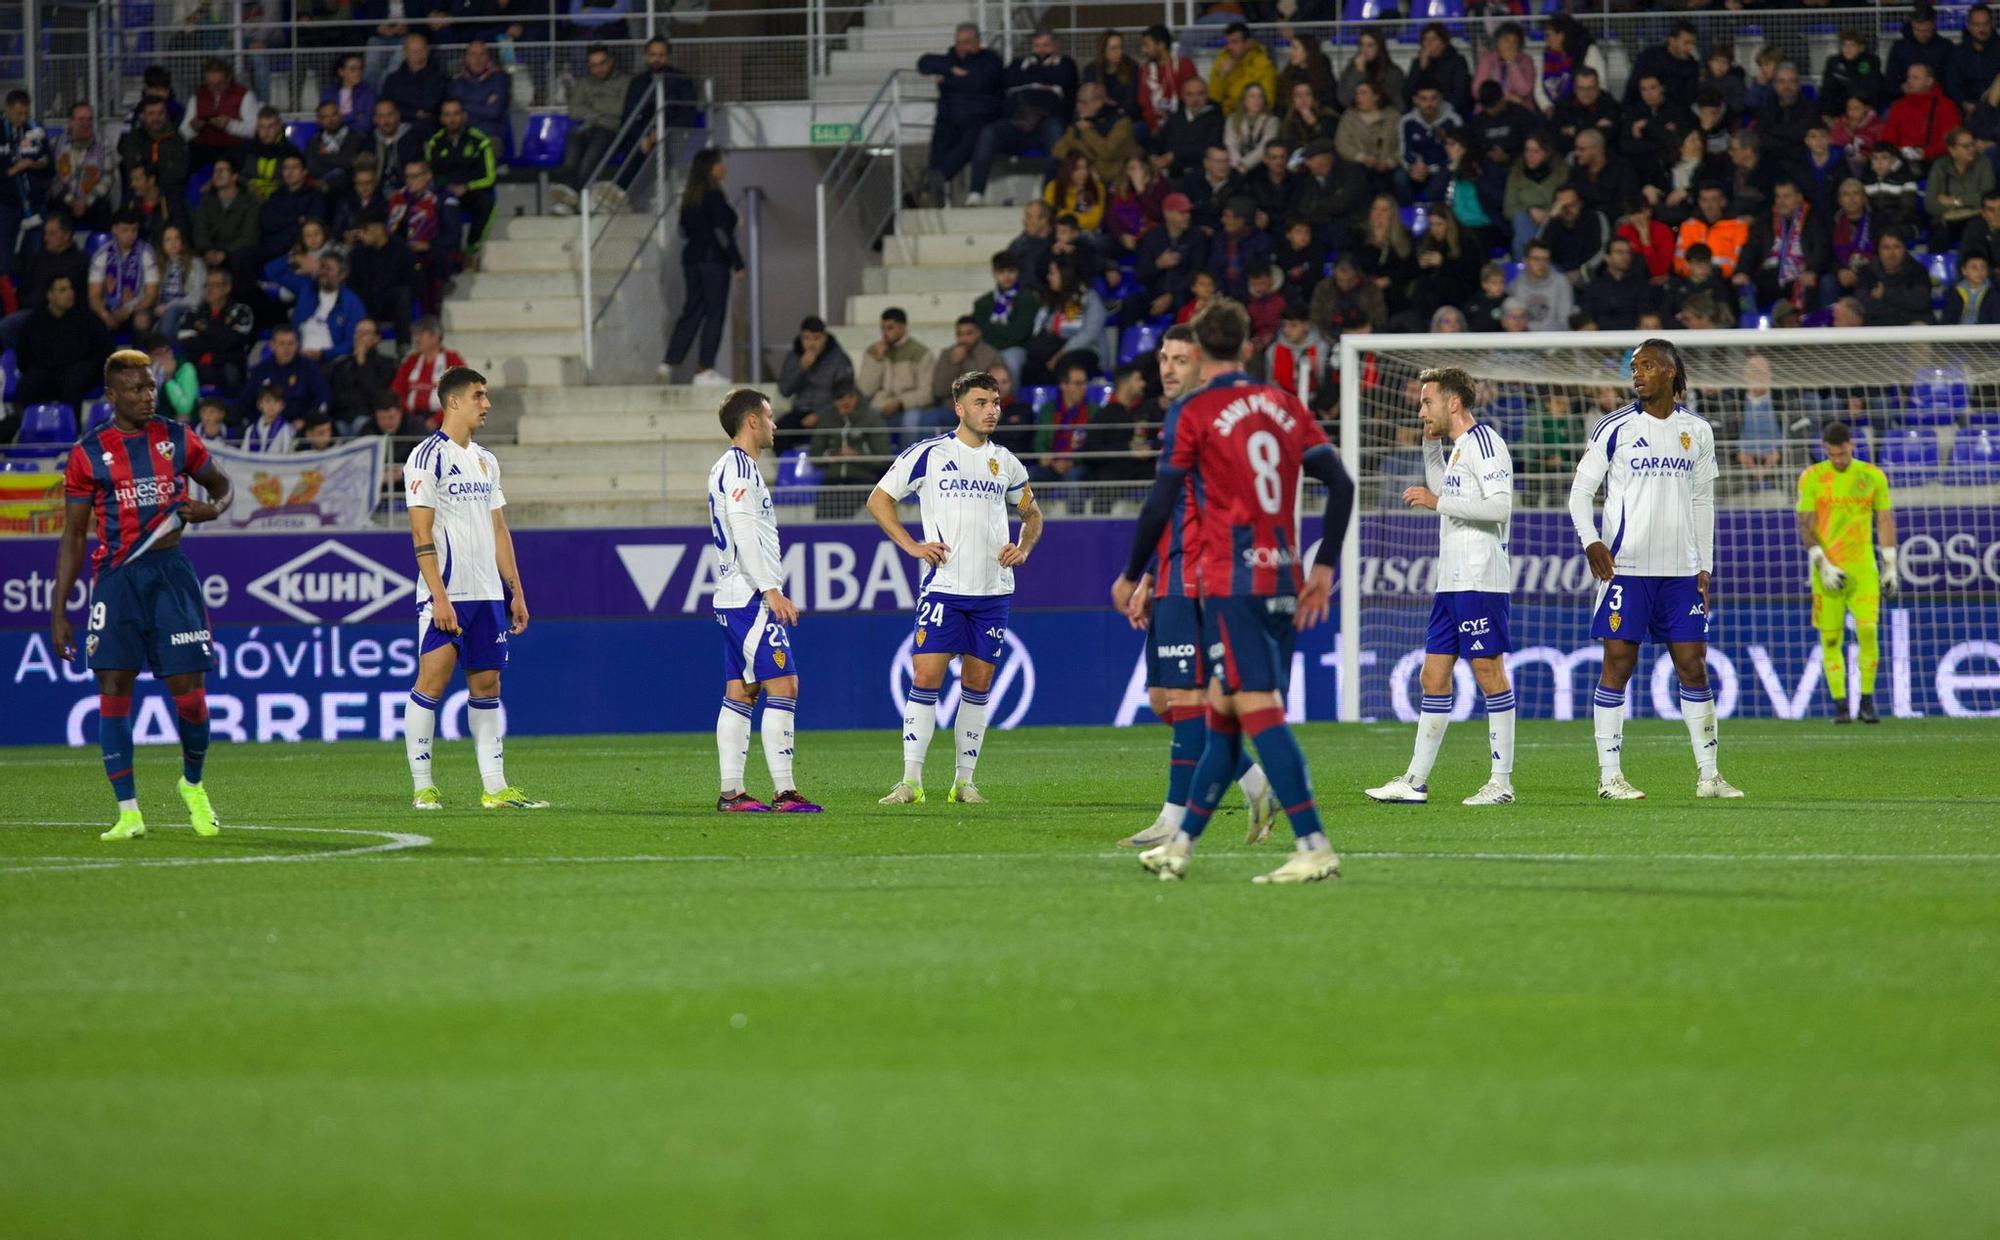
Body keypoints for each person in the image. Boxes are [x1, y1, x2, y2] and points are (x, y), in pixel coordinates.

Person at [1113, 299, 1356, 884]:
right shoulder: (1284, 404)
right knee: (1221, 714)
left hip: (1230, 581)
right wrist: (1324, 567)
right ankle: (1182, 844)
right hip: (1285, 576)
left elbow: (1160, 499)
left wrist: (1131, 571)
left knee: (1257, 712)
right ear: (1249, 346)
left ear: (1199, 350)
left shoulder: (1194, 411)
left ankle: (1314, 843)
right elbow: (1342, 484)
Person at [49, 349, 233, 842]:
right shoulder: (88, 452)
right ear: (112, 395)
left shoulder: (176, 438)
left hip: (170, 575)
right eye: (136, 389)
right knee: (113, 689)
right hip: (116, 580)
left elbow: (222, 485)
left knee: (191, 700)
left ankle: (192, 784)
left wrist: (211, 509)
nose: (148, 396)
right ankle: (128, 811)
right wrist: (59, 609)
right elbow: (72, 535)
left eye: (151, 386)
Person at [1115, 323, 1276, 849]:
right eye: (1163, 357)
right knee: (1164, 701)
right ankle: (1255, 780)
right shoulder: (1179, 418)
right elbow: (1171, 505)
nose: (1166, 367)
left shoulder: (1211, 417)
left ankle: (1173, 818)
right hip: (1169, 574)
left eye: (1180, 359)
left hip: (1198, 576)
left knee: (1186, 698)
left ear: (1202, 364)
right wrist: (1148, 580)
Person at [1568, 338, 1740, 801]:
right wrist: (1592, 542)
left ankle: (1709, 776)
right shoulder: (1614, 427)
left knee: (1693, 666)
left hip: (1681, 573)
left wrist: (1704, 565)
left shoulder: (1698, 431)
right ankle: (1610, 778)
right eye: (1634, 367)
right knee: (1618, 665)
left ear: (1669, 372)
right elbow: (1580, 493)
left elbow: (1704, 500)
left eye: (1646, 366)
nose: (1637, 374)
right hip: (1626, 568)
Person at [868, 370, 1043, 806]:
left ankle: (965, 781)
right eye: (982, 403)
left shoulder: (1005, 462)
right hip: (944, 588)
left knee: (978, 685)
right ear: (960, 408)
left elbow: (1033, 515)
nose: (992, 410)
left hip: (993, 592)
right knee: (926, 677)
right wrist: (911, 544)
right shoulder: (929, 454)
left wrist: (1023, 548)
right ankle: (910, 781)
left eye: (996, 402)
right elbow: (879, 499)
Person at [1366, 366, 1516, 807]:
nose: (1420, 408)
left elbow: (1500, 507)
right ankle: (1414, 781)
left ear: (1453, 403)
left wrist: (1436, 502)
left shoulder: (1485, 443)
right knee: (1433, 676)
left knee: (1489, 673)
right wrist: (1431, 449)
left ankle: (1501, 782)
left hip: (1480, 578)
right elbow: (1445, 489)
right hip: (1450, 582)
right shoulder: (1457, 450)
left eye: (1427, 401)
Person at [401, 367, 545, 810]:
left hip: (486, 596)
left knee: (487, 685)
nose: (487, 404)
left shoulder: (486, 460)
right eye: (479, 396)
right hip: (447, 594)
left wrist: (515, 591)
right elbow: (420, 532)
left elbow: (499, 529)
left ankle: (495, 788)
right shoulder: (426, 458)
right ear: (454, 402)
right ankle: (423, 785)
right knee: (432, 681)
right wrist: (438, 596)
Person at [706, 387, 822, 812]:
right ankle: (785, 791)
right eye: (770, 417)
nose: (775, 426)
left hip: (733, 594)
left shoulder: (734, 467)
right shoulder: (738, 469)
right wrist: (770, 589)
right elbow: (741, 529)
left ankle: (732, 792)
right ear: (751, 421)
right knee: (784, 684)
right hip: (749, 596)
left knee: (741, 689)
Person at [1797, 421, 1899, 726]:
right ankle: (1841, 707)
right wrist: (1822, 564)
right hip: (1826, 570)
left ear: (1852, 446)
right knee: (1830, 640)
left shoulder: (1872, 476)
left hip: (1862, 568)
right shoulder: (1812, 477)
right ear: (1825, 450)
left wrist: (1890, 564)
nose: (1838, 460)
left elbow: (1884, 520)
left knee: (1868, 631)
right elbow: (1806, 524)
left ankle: (1867, 702)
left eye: (1842, 453)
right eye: (1832, 454)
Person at [965, 29, 1077, 206]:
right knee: (989, 132)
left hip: (1047, 122)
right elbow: (1008, 80)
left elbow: (1063, 78)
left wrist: (1030, 76)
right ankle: (976, 192)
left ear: (1055, 46)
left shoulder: (1066, 63)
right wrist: (1044, 79)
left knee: (1056, 133)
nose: (1040, 50)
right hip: (1017, 122)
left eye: (1046, 45)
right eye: (1037, 45)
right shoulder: (1018, 63)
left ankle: (1049, 195)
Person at [916, 22, 1005, 205]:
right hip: (949, 119)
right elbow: (924, 63)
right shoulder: (950, 59)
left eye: (966, 42)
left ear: (977, 42)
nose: (961, 47)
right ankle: (934, 185)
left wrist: (946, 80)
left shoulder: (990, 59)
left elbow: (976, 83)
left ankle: (937, 177)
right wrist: (951, 70)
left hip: (980, 117)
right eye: (959, 42)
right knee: (940, 143)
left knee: (972, 140)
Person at [549, 44, 630, 213]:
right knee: (571, 151)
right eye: (594, 65)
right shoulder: (584, 83)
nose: (598, 68)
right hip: (587, 129)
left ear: (610, 62)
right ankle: (570, 197)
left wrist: (592, 110)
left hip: (609, 130)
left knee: (587, 162)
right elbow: (574, 110)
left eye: (602, 63)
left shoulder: (625, 82)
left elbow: (621, 109)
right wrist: (601, 112)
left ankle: (576, 201)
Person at [16, 276, 113, 410]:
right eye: (63, 290)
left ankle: (73, 428)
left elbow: (105, 350)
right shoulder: (35, 321)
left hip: (77, 372)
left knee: (73, 381)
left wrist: (87, 368)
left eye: (70, 288)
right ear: (50, 295)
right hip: (47, 371)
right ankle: (30, 426)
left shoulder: (87, 318)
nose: (69, 293)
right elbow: (23, 355)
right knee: (27, 385)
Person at [0, 215, 89, 354]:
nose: (46, 238)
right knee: (7, 325)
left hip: (65, 315)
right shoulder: (38, 259)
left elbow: (81, 296)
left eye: (52, 234)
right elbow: (24, 288)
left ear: (67, 235)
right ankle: (12, 367)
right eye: (45, 233)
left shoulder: (81, 261)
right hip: (33, 312)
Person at [426, 98, 498, 256]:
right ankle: (448, 253)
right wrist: (448, 187)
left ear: (464, 116)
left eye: (456, 114)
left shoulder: (480, 141)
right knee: (440, 202)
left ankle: (472, 246)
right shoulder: (434, 143)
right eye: (447, 115)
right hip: (444, 192)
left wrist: (467, 187)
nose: (452, 119)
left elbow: (490, 177)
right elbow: (430, 176)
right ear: (441, 118)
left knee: (487, 201)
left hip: (470, 192)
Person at [809, 380, 891, 519]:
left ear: (855, 397)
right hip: (832, 480)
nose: (844, 405)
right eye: (839, 400)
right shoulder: (827, 419)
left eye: (848, 400)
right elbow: (815, 455)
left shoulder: (871, 418)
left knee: (855, 526)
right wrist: (832, 455)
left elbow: (883, 457)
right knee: (823, 525)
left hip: (862, 480)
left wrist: (856, 456)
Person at [177, 267, 256, 397]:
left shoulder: (241, 311)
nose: (210, 289)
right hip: (199, 363)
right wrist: (219, 334)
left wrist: (206, 339)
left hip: (228, 365)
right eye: (207, 285)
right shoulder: (193, 313)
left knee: (231, 372)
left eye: (215, 285)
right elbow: (187, 342)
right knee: (185, 372)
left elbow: (232, 342)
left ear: (227, 288)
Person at [776, 315, 852, 446]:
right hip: (800, 411)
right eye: (806, 338)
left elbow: (845, 394)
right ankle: (791, 466)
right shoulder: (794, 356)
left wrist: (819, 415)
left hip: (830, 413)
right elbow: (784, 390)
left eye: (816, 338)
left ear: (825, 338)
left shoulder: (838, 359)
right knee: (778, 433)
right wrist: (801, 368)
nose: (811, 344)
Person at [89, 208, 162, 336]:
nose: (130, 235)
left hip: (138, 307)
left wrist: (129, 310)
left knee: (142, 321)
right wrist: (105, 315)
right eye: (125, 230)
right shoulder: (102, 255)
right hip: (109, 307)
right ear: (114, 230)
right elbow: (94, 295)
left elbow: (151, 294)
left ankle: (139, 355)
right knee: (94, 321)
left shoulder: (146, 252)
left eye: (134, 230)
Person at [46, 102, 114, 235]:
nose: (86, 124)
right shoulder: (55, 145)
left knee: (104, 209)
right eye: (81, 119)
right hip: (64, 201)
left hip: (92, 200)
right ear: (70, 122)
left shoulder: (103, 145)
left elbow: (108, 177)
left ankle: (101, 251)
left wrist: (87, 201)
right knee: (54, 208)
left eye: (90, 119)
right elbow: (52, 178)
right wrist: (71, 200)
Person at [857, 307, 932, 427]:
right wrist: (877, 361)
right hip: (880, 404)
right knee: (863, 417)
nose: (885, 333)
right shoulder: (873, 352)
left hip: (908, 406)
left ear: (903, 327)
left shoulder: (920, 352)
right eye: (883, 328)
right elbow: (865, 390)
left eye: (890, 328)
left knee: (911, 420)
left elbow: (927, 393)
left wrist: (900, 403)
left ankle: (909, 447)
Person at [178, 58, 258, 171]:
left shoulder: (244, 95)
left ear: (228, 78)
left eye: (219, 84)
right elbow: (183, 133)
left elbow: (253, 130)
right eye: (210, 84)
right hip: (203, 150)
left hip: (234, 150)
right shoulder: (198, 96)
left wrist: (229, 125)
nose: (214, 88)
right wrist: (193, 128)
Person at [973, 250, 1039, 380]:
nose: (1007, 276)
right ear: (994, 274)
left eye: (1011, 271)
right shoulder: (982, 303)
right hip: (987, 349)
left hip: (1016, 349)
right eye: (1001, 272)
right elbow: (979, 333)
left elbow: (1019, 334)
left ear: (1017, 272)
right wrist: (1002, 332)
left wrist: (991, 328)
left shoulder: (1027, 298)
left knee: (1011, 363)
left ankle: (1011, 400)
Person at [328, 318, 399, 432]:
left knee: (360, 423)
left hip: (369, 415)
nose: (360, 337)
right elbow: (337, 392)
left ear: (376, 338)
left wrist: (361, 363)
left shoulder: (386, 364)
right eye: (358, 332)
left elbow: (375, 393)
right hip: (342, 416)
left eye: (365, 333)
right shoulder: (342, 364)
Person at [1883, 62, 1962, 164]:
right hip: (1900, 160)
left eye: (1915, 78)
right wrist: (1896, 153)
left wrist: (1925, 153)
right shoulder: (1898, 106)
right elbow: (1888, 137)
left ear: (1929, 81)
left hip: (1933, 161)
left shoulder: (1946, 106)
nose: (1909, 81)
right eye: (1909, 77)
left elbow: (1951, 140)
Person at [119, 97, 190, 206]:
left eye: (160, 113)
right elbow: (133, 168)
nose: (156, 118)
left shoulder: (177, 140)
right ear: (143, 116)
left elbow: (180, 172)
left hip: (171, 198)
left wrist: (155, 185)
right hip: (138, 197)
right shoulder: (133, 139)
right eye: (151, 114)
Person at [394, 316, 467, 420]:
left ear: (435, 337)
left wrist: (437, 419)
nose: (416, 339)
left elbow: (461, 393)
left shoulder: (452, 360)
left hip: (444, 420)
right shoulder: (411, 361)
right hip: (411, 419)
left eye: (421, 334)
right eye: (415, 335)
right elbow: (397, 391)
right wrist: (409, 416)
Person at [382, 31, 450, 139]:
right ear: (405, 53)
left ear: (427, 51)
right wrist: (413, 113)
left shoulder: (440, 77)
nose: (418, 56)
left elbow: (435, 103)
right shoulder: (393, 80)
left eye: (421, 51)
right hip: (399, 128)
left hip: (433, 127)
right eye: (413, 52)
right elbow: (385, 106)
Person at [1137, 24, 1200, 134]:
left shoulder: (1184, 65)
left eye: (1147, 45)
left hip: (1182, 123)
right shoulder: (1145, 70)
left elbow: (1190, 98)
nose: (1143, 50)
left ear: (1161, 45)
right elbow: (1145, 103)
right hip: (1153, 125)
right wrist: (1154, 126)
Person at [1210, 22, 1276, 116]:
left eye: (1235, 42)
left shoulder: (1263, 65)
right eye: (1228, 42)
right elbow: (1214, 98)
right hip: (1228, 117)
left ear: (1248, 43)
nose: (1230, 47)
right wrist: (1222, 76)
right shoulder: (1222, 61)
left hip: (1256, 116)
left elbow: (1269, 101)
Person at [307, 100, 365, 197]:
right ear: (319, 120)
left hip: (349, 190)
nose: (331, 120)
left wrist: (323, 157)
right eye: (325, 117)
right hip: (322, 191)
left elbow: (349, 162)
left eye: (334, 115)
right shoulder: (314, 142)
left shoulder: (355, 137)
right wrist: (337, 162)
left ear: (340, 115)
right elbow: (312, 168)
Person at [368, 99, 424, 191]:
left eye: (390, 115)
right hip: (377, 191)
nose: (386, 121)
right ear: (375, 119)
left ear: (397, 115)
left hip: (408, 189)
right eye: (381, 116)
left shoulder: (413, 138)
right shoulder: (370, 141)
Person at [143, 331, 200, 421]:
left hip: (183, 422)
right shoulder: (146, 373)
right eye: (159, 354)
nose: (166, 357)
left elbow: (185, 409)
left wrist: (168, 379)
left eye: (167, 351)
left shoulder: (186, 369)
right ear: (150, 357)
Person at [322, 52, 379, 133]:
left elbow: (366, 124)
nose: (358, 72)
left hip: (360, 138)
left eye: (360, 68)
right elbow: (326, 121)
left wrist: (340, 119)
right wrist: (354, 116)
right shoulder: (329, 93)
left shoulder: (369, 94)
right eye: (353, 69)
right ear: (341, 72)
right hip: (333, 138)